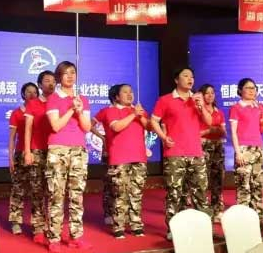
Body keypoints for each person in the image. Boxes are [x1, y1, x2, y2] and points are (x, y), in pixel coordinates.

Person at [151, 67, 212, 240]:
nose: (190, 79)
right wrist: (163, 137)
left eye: (192, 76)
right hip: (174, 153)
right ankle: (173, 229)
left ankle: (204, 228)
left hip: (196, 152)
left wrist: (201, 106)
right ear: (176, 80)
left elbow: (209, 122)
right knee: (175, 193)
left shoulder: (197, 99)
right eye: (185, 76)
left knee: (200, 191)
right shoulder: (165, 100)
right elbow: (154, 120)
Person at [45, 61, 92, 252]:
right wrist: (71, 109)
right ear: (59, 77)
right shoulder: (53, 98)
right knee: (56, 194)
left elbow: (87, 127)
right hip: (58, 149)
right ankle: (54, 238)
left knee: (76, 195)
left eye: (73, 72)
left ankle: (76, 236)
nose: (70, 76)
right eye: (66, 73)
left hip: (78, 149)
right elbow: (55, 126)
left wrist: (79, 110)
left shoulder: (82, 99)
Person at [95, 84, 150, 239]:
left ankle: (136, 224)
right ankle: (118, 225)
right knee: (120, 193)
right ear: (117, 97)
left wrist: (141, 115)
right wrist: (133, 115)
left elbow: (149, 127)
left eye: (131, 92)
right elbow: (117, 127)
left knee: (136, 193)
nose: (129, 94)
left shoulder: (138, 110)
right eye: (125, 92)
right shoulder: (111, 111)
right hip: (119, 158)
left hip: (139, 157)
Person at [18, 71, 57, 243]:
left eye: (53, 81)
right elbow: (28, 129)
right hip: (37, 151)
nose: (51, 84)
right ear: (40, 85)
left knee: (54, 191)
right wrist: (27, 151)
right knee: (37, 191)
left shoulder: (58, 102)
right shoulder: (33, 103)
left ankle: (52, 227)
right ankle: (38, 228)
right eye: (47, 81)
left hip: (55, 150)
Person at [7, 82, 43, 239]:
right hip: (21, 154)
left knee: (37, 190)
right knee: (18, 189)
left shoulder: (40, 110)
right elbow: (12, 138)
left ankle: (38, 224)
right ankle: (15, 221)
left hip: (38, 154)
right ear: (23, 94)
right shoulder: (16, 113)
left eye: (35, 92)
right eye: (28, 92)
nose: (32, 95)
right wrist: (10, 158)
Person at [229, 78, 263, 218]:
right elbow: (233, 132)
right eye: (248, 88)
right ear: (240, 90)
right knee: (243, 185)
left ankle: (259, 216)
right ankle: (244, 218)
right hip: (243, 149)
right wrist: (238, 152)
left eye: (254, 88)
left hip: (258, 148)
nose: (252, 91)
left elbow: (262, 130)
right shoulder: (236, 108)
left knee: (258, 184)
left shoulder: (260, 107)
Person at [198, 84, 226, 223]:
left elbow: (223, 132)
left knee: (218, 179)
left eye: (212, 93)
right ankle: (203, 210)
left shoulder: (218, 111)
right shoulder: (198, 111)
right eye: (207, 93)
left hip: (218, 146)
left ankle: (217, 209)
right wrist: (209, 131)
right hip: (203, 146)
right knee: (203, 180)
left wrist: (213, 130)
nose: (210, 95)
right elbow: (196, 132)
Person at [91, 85, 119, 227]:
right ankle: (108, 212)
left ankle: (121, 213)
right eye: (124, 92)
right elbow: (90, 125)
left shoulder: (130, 111)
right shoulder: (105, 111)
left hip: (126, 153)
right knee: (110, 183)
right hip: (109, 151)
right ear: (116, 97)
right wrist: (102, 137)